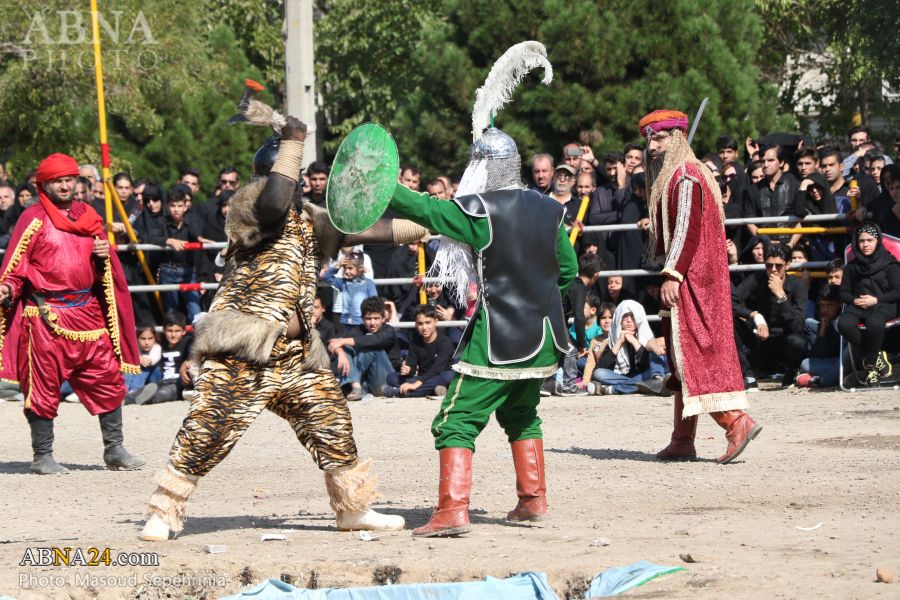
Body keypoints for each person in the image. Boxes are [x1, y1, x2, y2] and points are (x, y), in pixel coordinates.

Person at [140, 114, 423, 541]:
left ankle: (353, 509)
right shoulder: (249, 209)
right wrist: (293, 139)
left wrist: (440, 221)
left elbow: (373, 230)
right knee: (208, 429)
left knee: (332, 424)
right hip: (244, 350)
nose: (297, 183)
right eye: (289, 172)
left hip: (296, 356)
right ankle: (163, 512)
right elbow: (274, 202)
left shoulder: (311, 222)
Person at [386, 42, 576, 536]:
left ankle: (452, 510)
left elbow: (428, 211)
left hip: (498, 338)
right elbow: (569, 270)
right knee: (522, 414)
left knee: (456, 418)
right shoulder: (550, 209)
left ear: (483, 168)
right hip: (545, 336)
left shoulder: (480, 212)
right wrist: (536, 297)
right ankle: (533, 500)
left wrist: (384, 184)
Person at [0, 153, 144, 474]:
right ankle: (43, 457)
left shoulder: (88, 216)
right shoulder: (32, 218)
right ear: (44, 185)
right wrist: (7, 287)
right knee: (42, 387)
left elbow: (103, 270)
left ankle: (115, 449)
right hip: (45, 316)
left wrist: (104, 254)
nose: (65, 186)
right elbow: (16, 267)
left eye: (69, 180)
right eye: (58, 181)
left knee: (108, 378)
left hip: (88, 314)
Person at [639, 109, 760, 464]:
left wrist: (672, 274)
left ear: (676, 138)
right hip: (696, 277)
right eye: (649, 140)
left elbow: (686, 229)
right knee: (682, 357)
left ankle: (736, 422)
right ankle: (682, 439)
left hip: (694, 279)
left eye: (660, 138)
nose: (652, 147)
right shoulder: (684, 174)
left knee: (693, 355)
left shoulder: (687, 176)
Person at [732, 244, 809, 386]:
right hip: (760, 340)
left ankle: (792, 370)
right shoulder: (757, 279)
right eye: (769, 265)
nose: (773, 270)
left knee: (797, 342)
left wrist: (781, 295)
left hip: (785, 342)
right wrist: (754, 316)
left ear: (787, 265)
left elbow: (798, 326)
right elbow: (730, 300)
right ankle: (748, 376)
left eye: (778, 266)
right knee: (731, 320)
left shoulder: (798, 286)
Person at [837, 222, 900, 385]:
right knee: (843, 324)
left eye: (870, 240)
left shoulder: (890, 264)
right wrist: (854, 300)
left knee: (874, 322)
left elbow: (897, 291)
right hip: (859, 306)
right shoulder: (852, 266)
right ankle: (876, 357)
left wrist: (876, 300)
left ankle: (871, 367)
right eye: (861, 241)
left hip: (885, 305)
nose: (865, 244)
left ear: (877, 241)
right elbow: (843, 292)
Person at [585, 300, 669, 396]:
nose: (629, 320)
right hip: (627, 377)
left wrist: (634, 341)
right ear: (619, 319)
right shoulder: (613, 339)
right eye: (625, 316)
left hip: (644, 374)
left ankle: (614, 389)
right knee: (599, 374)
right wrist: (619, 343)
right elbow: (601, 368)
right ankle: (641, 386)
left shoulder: (647, 336)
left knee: (660, 368)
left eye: (632, 316)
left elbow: (646, 364)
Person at [327, 296, 401, 400]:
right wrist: (341, 353)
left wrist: (342, 341)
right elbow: (333, 342)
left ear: (383, 318)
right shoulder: (358, 329)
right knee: (346, 347)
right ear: (362, 318)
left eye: (376, 318)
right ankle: (356, 387)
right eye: (368, 318)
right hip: (365, 380)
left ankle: (347, 383)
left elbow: (374, 340)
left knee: (371, 343)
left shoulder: (389, 331)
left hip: (387, 378)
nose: (372, 323)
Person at [383, 304, 455, 398]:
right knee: (391, 377)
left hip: (439, 375)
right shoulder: (415, 342)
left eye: (428, 323)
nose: (424, 327)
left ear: (435, 321)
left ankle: (399, 392)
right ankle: (433, 390)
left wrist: (416, 384)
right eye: (420, 323)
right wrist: (407, 369)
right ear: (416, 324)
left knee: (448, 377)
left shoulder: (445, 342)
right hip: (423, 377)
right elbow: (412, 368)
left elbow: (437, 369)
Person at [127, 311, 193, 405]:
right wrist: (140, 358)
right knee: (147, 388)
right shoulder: (161, 341)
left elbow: (194, 352)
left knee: (165, 392)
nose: (173, 335)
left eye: (177, 331)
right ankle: (127, 399)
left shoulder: (188, 341)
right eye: (169, 331)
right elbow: (142, 341)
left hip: (178, 382)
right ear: (164, 331)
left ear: (184, 331)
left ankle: (148, 399)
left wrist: (187, 360)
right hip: (160, 380)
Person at [159, 184, 202, 322]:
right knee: (172, 314)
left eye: (179, 205)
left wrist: (200, 238)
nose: (176, 209)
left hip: (188, 270)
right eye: (173, 205)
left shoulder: (193, 220)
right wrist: (169, 240)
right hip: (168, 270)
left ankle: (196, 336)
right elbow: (151, 237)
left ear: (186, 206)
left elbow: (197, 233)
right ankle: (175, 336)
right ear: (167, 206)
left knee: (195, 312)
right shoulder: (162, 222)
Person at [796, 285, 842, 388]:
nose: (825, 309)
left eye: (830, 306)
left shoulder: (842, 320)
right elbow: (816, 356)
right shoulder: (825, 321)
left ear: (839, 304)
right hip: (832, 361)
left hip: (845, 361)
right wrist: (822, 330)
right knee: (805, 363)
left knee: (842, 367)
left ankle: (823, 379)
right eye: (822, 305)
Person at [322, 250, 378, 328]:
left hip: (362, 323)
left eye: (350, 268)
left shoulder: (368, 283)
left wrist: (370, 321)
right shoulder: (343, 283)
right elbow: (326, 277)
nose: (346, 271)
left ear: (360, 268)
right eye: (344, 268)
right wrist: (338, 265)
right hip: (346, 322)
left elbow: (374, 304)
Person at [124, 324, 163, 392]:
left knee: (145, 368)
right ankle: (125, 389)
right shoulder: (134, 347)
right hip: (136, 376)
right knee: (129, 366)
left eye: (150, 338)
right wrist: (138, 359)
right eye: (143, 338)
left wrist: (138, 359)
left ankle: (135, 390)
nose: (147, 342)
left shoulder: (157, 347)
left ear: (155, 339)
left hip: (153, 378)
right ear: (136, 339)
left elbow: (150, 361)